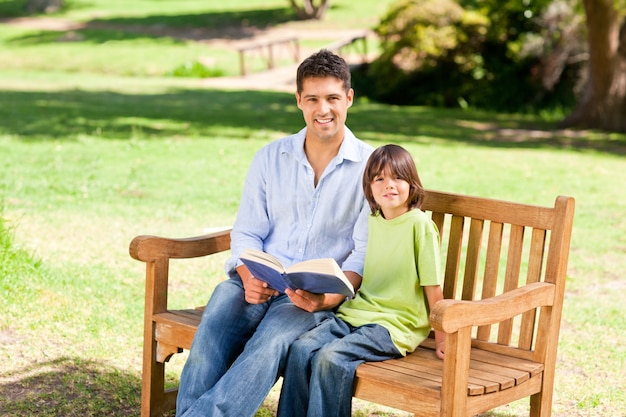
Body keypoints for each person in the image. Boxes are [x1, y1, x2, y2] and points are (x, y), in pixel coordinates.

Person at [175, 49, 374, 417]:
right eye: (312, 98)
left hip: (310, 296)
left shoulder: (369, 167)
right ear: (298, 99)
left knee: (266, 348)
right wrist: (248, 276)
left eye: (332, 98)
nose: (322, 109)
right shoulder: (270, 157)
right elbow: (247, 232)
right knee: (211, 335)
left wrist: (327, 300)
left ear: (349, 98)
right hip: (255, 282)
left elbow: (362, 253)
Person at [276, 144, 445, 417]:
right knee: (300, 348)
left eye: (397, 177)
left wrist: (442, 337)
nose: (388, 185)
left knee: (330, 358)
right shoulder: (372, 219)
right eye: (379, 178)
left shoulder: (419, 225)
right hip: (358, 313)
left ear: (412, 185)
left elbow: (433, 286)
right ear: (369, 187)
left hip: (395, 325)